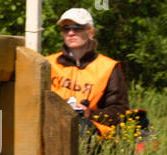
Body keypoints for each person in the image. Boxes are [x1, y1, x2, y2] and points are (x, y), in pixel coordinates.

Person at [45, 8, 130, 141]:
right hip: (51, 125)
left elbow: (120, 111)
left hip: (92, 132)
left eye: (77, 28)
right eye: (66, 28)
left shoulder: (108, 67)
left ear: (90, 32)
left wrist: (89, 113)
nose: (71, 33)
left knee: (80, 128)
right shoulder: (48, 63)